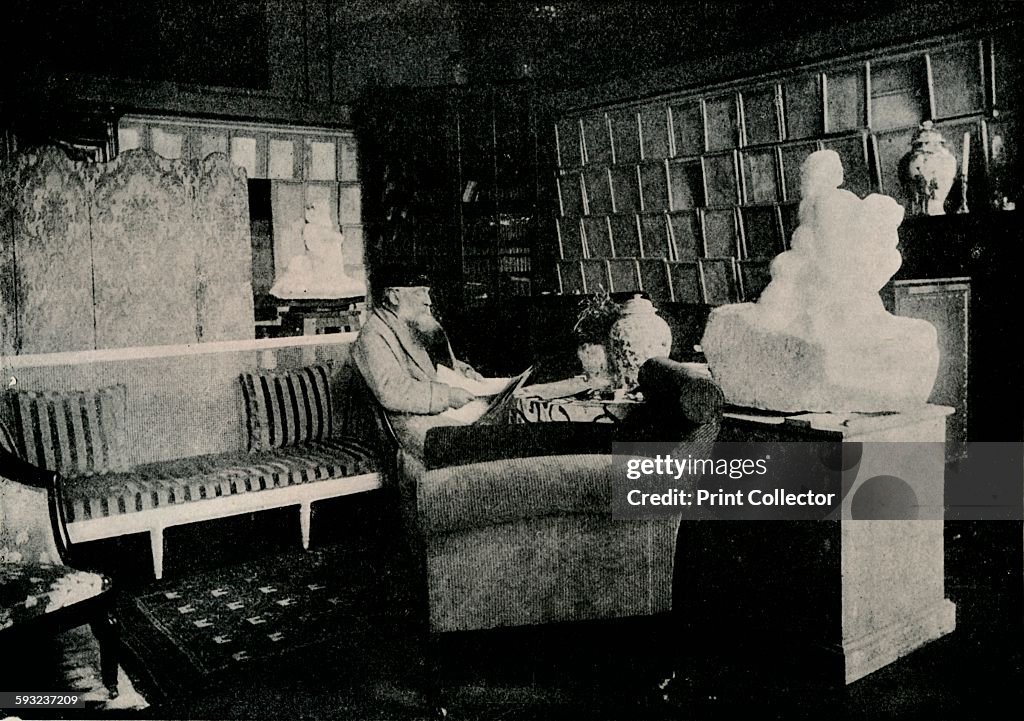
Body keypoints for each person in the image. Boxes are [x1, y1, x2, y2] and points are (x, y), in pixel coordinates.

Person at [351, 264, 483, 460]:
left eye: (428, 293)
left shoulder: (418, 324)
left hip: (440, 413)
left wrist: (463, 372)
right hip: (405, 425)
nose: (428, 301)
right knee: (475, 447)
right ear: (394, 296)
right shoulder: (373, 335)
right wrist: (446, 396)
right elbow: (392, 391)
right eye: (420, 292)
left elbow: (438, 367)